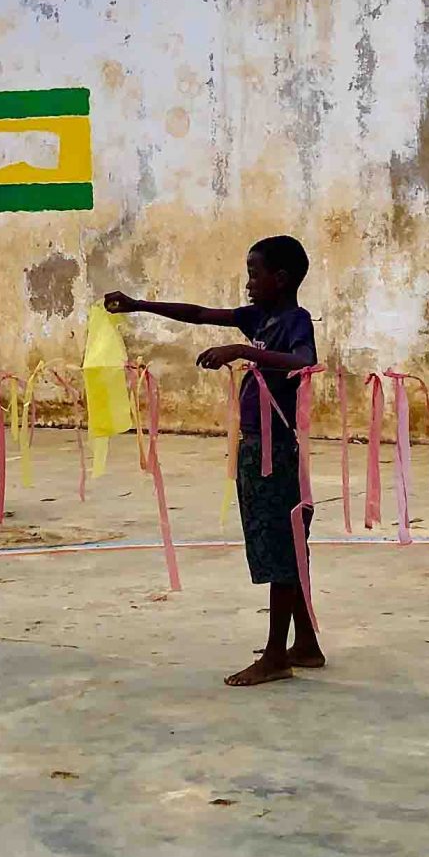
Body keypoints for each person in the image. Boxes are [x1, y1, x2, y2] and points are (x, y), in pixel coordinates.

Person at [104, 236, 323, 687]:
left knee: (283, 549)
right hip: (253, 446)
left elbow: (304, 360)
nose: (248, 283)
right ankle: (306, 645)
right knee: (288, 546)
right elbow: (199, 313)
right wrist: (138, 305)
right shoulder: (257, 317)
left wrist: (242, 351)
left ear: (280, 279)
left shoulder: (295, 321)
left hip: (275, 450)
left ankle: (276, 655)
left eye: (254, 273)